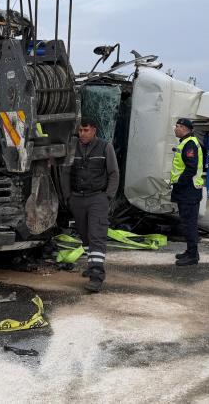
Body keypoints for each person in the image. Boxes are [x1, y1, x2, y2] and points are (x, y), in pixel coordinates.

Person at [69, 117, 120, 293]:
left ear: (94, 130)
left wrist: (107, 197)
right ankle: (92, 265)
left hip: (97, 198)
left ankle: (96, 275)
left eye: (86, 130)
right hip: (77, 198)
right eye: (80, 130)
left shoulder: (105, 147)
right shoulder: (72, 147)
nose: (82, 134)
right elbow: (65, 171)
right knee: (84, 236)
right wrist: (68, 196)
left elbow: (114, 173)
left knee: (96, 235)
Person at [170, 118, 204, 266]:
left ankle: (192, 256)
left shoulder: (190, 144)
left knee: (189, 223)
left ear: (184, 128)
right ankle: (191, 251)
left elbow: (190, 168)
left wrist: (179, 183)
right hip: (187, 190)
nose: (175, 129)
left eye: (177, 126)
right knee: (186, 222)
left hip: (188, 190)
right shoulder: (186, 142)